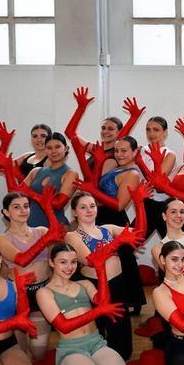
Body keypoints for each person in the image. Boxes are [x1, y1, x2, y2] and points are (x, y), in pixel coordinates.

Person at [64, 190, 147, 360]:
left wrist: (139, 205)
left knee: (123, 350)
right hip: (94, 287)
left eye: (92, 206)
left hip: (117, 284)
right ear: (74, 212)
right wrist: (118, 241)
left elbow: (139, 233)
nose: (89, 210)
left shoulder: (107, 228)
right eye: (83, 207)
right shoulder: (72, 236)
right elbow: (91, 260)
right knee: (99, 333)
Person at [36, 243, 129, 365]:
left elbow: (103, 302)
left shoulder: (84, 284)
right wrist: (97, 312)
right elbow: (63, 326)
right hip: (71, 348)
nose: (69, 267)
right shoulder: (44, 292)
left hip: (96, 342)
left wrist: (100, 269)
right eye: (63, 262)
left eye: (73, 262)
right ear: (52, 262)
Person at [76, 135, 147, 316]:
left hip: (113, 219)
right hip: (101, 217)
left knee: (121, 260)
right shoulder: (118, 168)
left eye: (124, 151)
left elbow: (119, 205)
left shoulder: (132, 173)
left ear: (134, 152)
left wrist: (93, 193)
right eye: (116, 150)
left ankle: (127, 302)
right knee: (102, 261)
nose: (119, 154)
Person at [0, 190, 66, 361]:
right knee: (21, 353)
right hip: (19, 294)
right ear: (6, 212)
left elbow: (59, 237)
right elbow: (22, 260)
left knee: (39, 354)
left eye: (26, 206)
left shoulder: (41, 231)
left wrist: (48, 207)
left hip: (42, 293)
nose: (23, 210)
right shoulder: (1, 239)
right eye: (16, 207)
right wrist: (46, 240)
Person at [22, 132, 77, 228]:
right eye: (49, 148)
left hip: (55, 229)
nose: (53, 151)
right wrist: (9, 171)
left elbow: (58, 204)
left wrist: (31, 194)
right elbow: (16, 196)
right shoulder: (36, 171)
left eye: (57, 147)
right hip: (30, 227)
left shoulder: (70, 174)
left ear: (66, 148)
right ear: (45, 150)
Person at [140, 116, 177, 239]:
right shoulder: (141, 151)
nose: (151, 133)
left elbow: (157, 184)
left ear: (165, 132)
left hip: (164, 205)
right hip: (146, 203)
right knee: (128, 244)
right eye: (148, 129)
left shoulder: (169, 154)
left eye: (156, 130)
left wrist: (140, 163)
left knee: (173, 246)